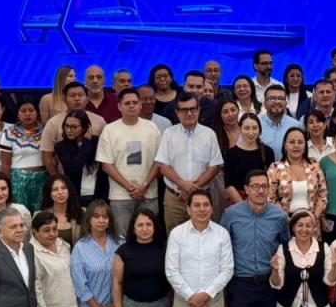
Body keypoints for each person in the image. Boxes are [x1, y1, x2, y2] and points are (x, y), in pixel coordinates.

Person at [220, 170, 291, 307]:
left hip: (267, 286)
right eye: (255, 186)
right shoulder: (231, 214)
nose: (260, 190)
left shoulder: (279, 216)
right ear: (246, 190)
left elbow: (285, 246)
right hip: (239, 285)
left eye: (264, 186)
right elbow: (221, 247)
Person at [96, 87, 161, 238]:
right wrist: (131, 188)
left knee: (149, 237)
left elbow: (159, 161)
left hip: (148, 194)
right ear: (119, 106)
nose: (131, 106)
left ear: (140, 105)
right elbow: (106, 165)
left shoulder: (152, 128)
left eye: (135, 103)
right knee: (122, 238)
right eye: (127, 103)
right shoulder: (110, 130)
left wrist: (144, 187)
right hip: (120, 196)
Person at [155, 92, 224, 233]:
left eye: (193, 109)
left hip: (202, 199)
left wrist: (193, 189)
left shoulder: (209, 134)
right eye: (184, 110)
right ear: (177, 112)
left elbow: (214, 167)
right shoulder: (169, 133)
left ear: (199, 110)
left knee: (204, 237)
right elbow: (163, 166)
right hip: (175, 199)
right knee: (174, 238)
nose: (189, 113)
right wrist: (182, 184)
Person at [40, 82, 108, 178]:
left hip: (95, 179)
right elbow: (47, 155)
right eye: (72, 96)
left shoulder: (99, 121)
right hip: (67, 178)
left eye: (80, 95)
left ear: (87, 98)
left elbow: (107, 153)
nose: (77, 99)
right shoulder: (53, 123)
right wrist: (57, 179)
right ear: (64, 99)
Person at [54, 110, 109, 207]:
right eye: (66, 126)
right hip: (75, 195)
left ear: (85, 128)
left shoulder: (98, 142)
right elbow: (73, 168)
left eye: (74, 127)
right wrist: (86, 143)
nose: (69, 130)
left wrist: (87, 142)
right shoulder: (61, 146)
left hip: (99, 194)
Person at [266, 127, 325, 216]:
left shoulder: (314, 165)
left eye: (300, 142)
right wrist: (285, 218)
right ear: (285, 145)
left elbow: (322, 194)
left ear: (305, 145)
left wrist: (315, 217)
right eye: (292, 142)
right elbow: (270, 198)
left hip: (311, 219)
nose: (296, 145)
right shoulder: (275, 168)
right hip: (283, 219)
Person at [1, 98, 47, 213]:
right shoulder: (9, 133)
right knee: (20, 214)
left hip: (42, 180)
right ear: (17, 114)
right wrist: (7, 186)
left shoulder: (46, 131)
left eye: (31, 110)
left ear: (37, 113)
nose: (27, 114)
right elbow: (5, 164)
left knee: (41, 214)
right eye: (23, 111)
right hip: (18, 182)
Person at [225, 113, 276, 206]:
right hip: (239, 202)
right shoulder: (231, 153)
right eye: (246, 128)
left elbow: (272, 181)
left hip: (263, 200)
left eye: (254, 128)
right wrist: (244, 206)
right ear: (240, 129)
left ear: (259, 130)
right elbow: (229, 184)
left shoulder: (268, 152)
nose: (251, 132)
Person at [40, 174, 86, 247]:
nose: (60, 192)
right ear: (49, 193)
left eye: (63, 188)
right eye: (55, 189)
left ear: (69, 190)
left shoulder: (83, 213)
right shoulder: (41, 215)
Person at [260, 84, 303, 157]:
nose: (277, 102)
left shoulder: (296, 125)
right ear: (264, 103)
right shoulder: (256, 125)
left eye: (280, 98)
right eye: (272, 98)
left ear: (286, 103)